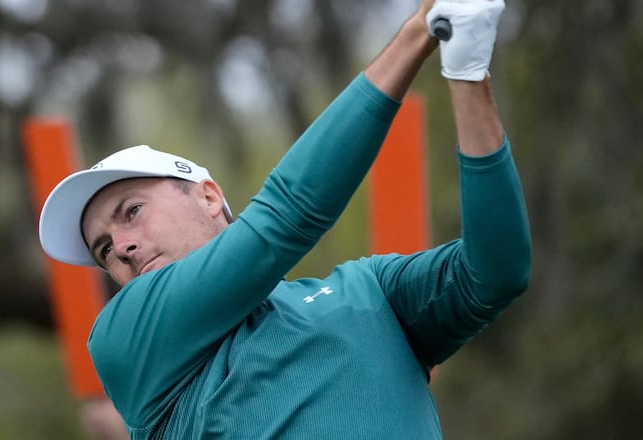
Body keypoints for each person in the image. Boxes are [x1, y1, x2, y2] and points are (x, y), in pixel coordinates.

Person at [39, 0, 531, 437]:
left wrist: (467, 72)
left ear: (209, 197)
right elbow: (286, 218)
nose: (120, 247)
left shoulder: (369, 292)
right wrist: (418, 31)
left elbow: (495, 272)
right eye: (103, 249)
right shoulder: (125, 339)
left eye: (132, 211)